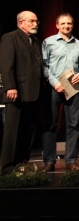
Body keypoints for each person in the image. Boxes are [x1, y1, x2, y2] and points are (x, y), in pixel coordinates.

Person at [0, 11, 43, 175]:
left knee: (28, 131)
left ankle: (22, 163)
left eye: (36, 21)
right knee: (13, 130)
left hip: (33, 92)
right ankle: (7, 167)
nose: (35, 24)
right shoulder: (10, 38)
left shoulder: (36, 41)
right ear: (21, 23)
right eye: (31, 21)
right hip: (16, 92)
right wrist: (10, 86)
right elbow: (6, 65)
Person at [42, 13, 79, 171]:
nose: (66, 26)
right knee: (51, 125)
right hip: (54, 88)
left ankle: (71, 161)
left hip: (73, 88)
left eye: (69, 23)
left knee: (73, 125)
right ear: (57, 25)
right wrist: (55, 83)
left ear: (72, 25)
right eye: (63, 23)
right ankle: (49, 161)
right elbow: (45, 66)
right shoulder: (48, 42)